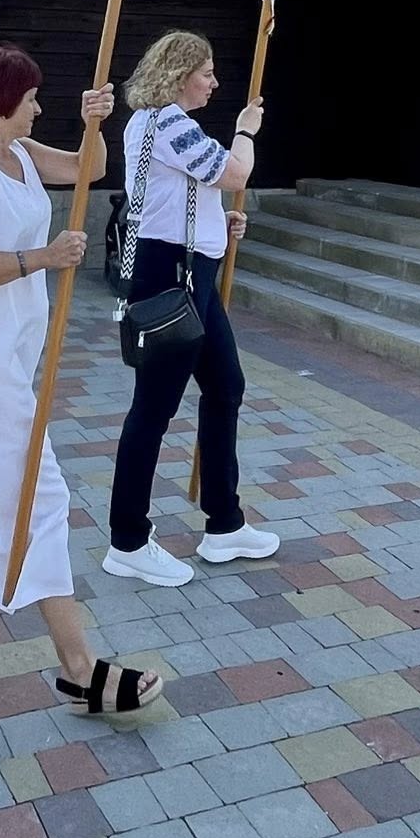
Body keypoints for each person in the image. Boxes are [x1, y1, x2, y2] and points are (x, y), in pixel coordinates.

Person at [0, 46, 163, 717]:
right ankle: (79, 669)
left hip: (15, 354)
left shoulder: (17, 150)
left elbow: (88, 170)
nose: (39, 107)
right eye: (32, 98)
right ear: (4, 100)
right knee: (38, 498)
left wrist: (95, 122)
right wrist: (44, 257)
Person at [104, 31, 271, 588]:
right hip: (171, 277)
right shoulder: (168, 123)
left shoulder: (158, 124)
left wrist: (218, 224)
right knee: (154, 407)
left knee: (225, 387)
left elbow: (175, 197)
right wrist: (245, 131)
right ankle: (127, 539)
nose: (214, 82)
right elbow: (235, 173)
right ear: (179, 76)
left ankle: (224, 522)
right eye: (206, 72)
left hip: (187, 270)